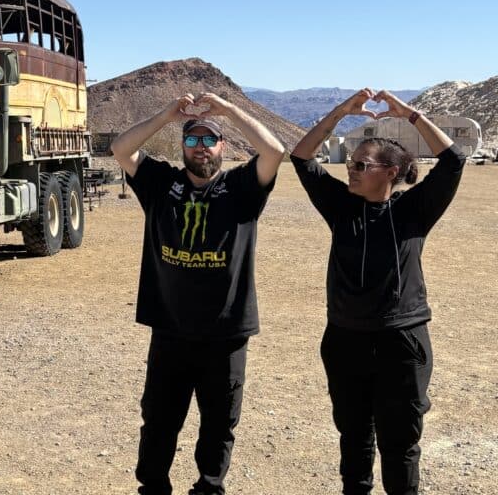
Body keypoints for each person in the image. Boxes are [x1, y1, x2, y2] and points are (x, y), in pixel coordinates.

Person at [291, 88, 466, 495]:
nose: (349, 171)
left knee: (400, 442)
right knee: (353, 436)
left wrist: (410, 116)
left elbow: (453, 160)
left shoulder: (413, 210)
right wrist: (341, 112)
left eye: (360, 165)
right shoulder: (340, 205)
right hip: (344, 338)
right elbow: (300, 157)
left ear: (390, 172)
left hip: (401, 341)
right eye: (350, 163)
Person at [112, 92, 285, 495]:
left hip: (225, 336)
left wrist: (228, 111)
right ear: (182, 147)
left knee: (219, 424)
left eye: (210, 140)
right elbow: (121, 148)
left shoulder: (242, 187)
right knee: (158, 421)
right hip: (170, 331)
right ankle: (153, 488)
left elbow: (275, 150)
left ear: (223, 147)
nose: (201, 147)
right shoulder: (160, 183)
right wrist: (168, 114)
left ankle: (209, 487)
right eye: (192, 140)